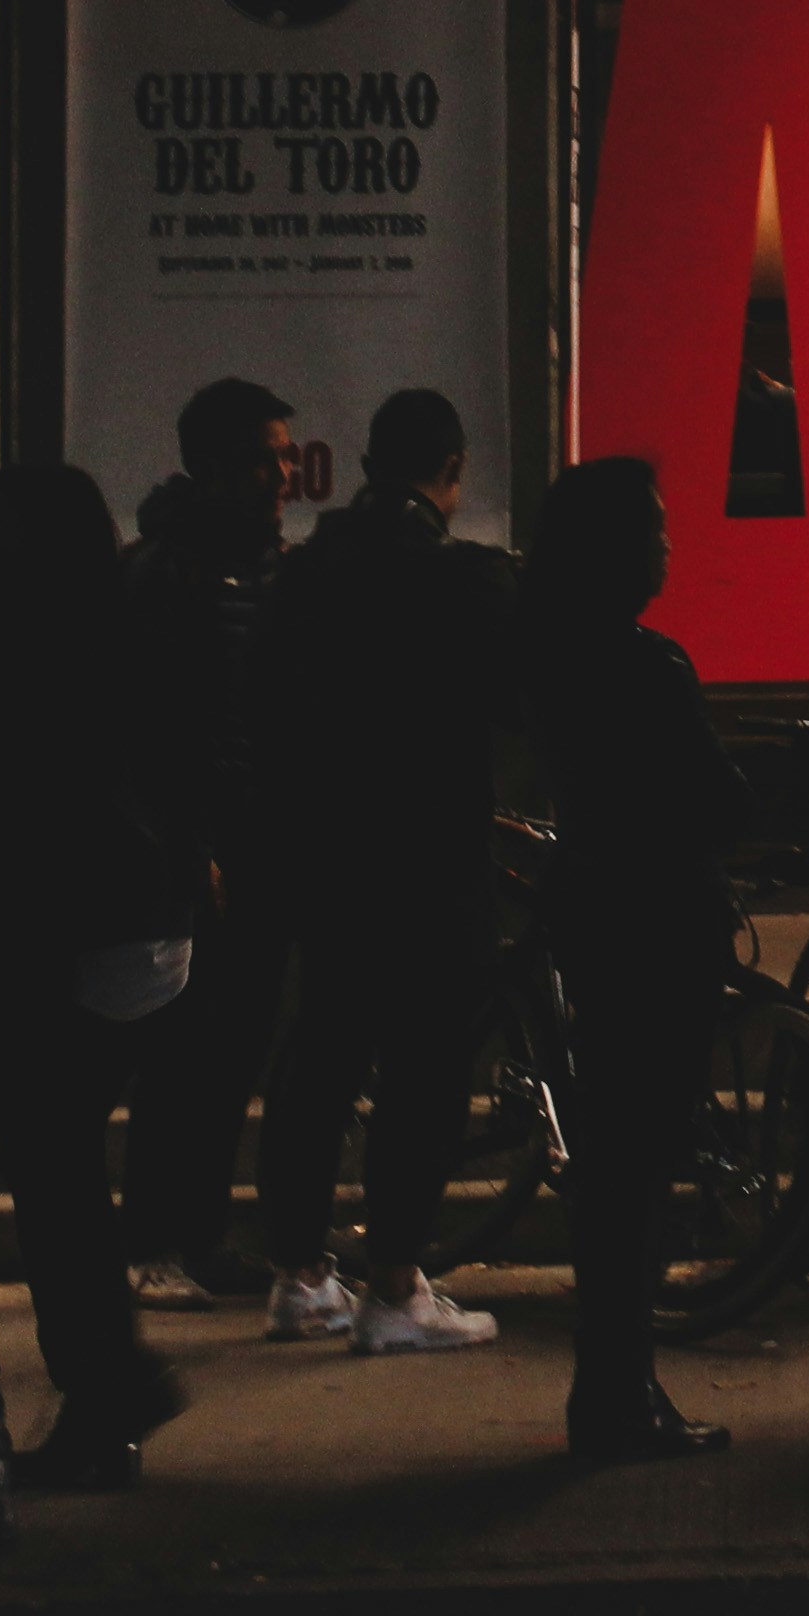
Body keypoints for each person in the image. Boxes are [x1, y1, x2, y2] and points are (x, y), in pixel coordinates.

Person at [0, 446, 190, 1550]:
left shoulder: (5, 646)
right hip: (120, 942)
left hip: (49, 948)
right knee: (52, 1163)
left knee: (11, 1172)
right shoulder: (107, 625)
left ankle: (78, 1398)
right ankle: (106, 1390)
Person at [251, 390, 519, 1354]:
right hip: (427, 862)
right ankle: (395, 1285)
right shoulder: (454, 577)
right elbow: (509, 693)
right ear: (451, 471)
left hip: (324, 859)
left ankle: (297, 1274)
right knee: (423, 1072)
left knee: (319, 1057)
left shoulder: (305, 569)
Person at [516, 456, 745, 1460]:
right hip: (661, 929)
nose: (667, 540)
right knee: (640, 1171)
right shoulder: (648, 665)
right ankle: (623, 1394)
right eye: (652, 525)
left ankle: (611, 1389)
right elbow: (714, 795)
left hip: (596, 919)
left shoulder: (547, 652)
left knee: (616, 1173)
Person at [113, 375, 304, 1311]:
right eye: (268, 455)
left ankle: (198, 1233)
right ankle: (153, 1239)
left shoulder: (266, 568)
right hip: (200, 852)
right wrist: (191, 849)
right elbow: (153, 730)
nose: (285, 473)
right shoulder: (164, 574)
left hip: (259, 844)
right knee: (184, 1054)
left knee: (233, 1053)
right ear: (217, 464)